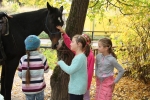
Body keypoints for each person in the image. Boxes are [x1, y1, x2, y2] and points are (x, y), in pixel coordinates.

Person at [56, 26, 95, 100]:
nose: (70, 44)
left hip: (77, 89)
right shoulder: (81, 55)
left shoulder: (80, 57)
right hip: (79, 88)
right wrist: (64, 33)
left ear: (79, 44)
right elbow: (69, 43)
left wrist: (61, 63)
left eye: (73, 42)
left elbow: (70, 70)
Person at [18, 35, 49, 100]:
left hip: (27, 89)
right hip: (39, 88)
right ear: (38, 47)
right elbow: (46, 70)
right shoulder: (42, 57)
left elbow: (20, 74)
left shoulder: (23, 59)